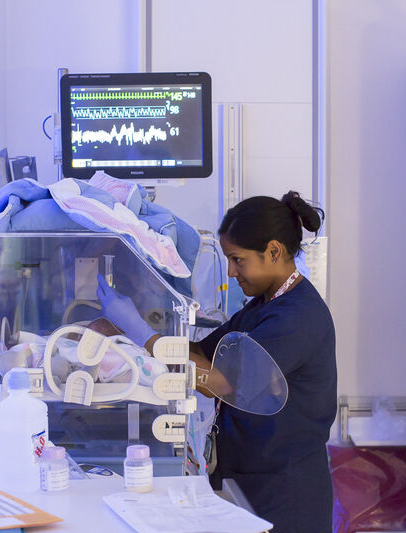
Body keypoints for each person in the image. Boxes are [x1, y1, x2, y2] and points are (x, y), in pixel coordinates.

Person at [98, 191, 337, 533]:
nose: (231, 271)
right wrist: (127, 331)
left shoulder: (298, 318)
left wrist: (140, 333)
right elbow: (200, 355)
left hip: (285, 494)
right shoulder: (262, 306)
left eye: (238, 259)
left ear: (273, 251)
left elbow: (223, 383)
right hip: (247, 480)